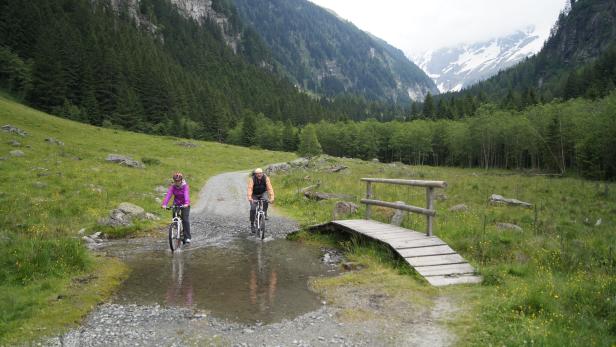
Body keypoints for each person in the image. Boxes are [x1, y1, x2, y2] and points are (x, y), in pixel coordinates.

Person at [162, 172, 191, 243]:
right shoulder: (173, 187)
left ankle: (187, 237)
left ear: (181, 180)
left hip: (185, 204)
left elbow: (186, 195)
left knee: (185, 219)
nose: (177, 182)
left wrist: (186, 203)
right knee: (174, 217)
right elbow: (168, 195)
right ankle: (177, 228)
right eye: (175, 181)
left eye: (178, 181)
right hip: (176, 203)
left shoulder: (185, 186)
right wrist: (164, 204)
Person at [247, 168, 275, 233]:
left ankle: (264, 213)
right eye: (257, 174)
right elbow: (250, 189)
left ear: (262, 173)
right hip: (254, 194)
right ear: (255, 174)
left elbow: (270, 188)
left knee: (266, 201)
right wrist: (250, 198)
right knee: (253, 208)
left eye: (260, 173)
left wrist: (272, 198)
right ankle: (252, 225)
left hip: (263, 192)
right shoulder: (252, 179)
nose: (259, 175)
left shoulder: (266, 178)